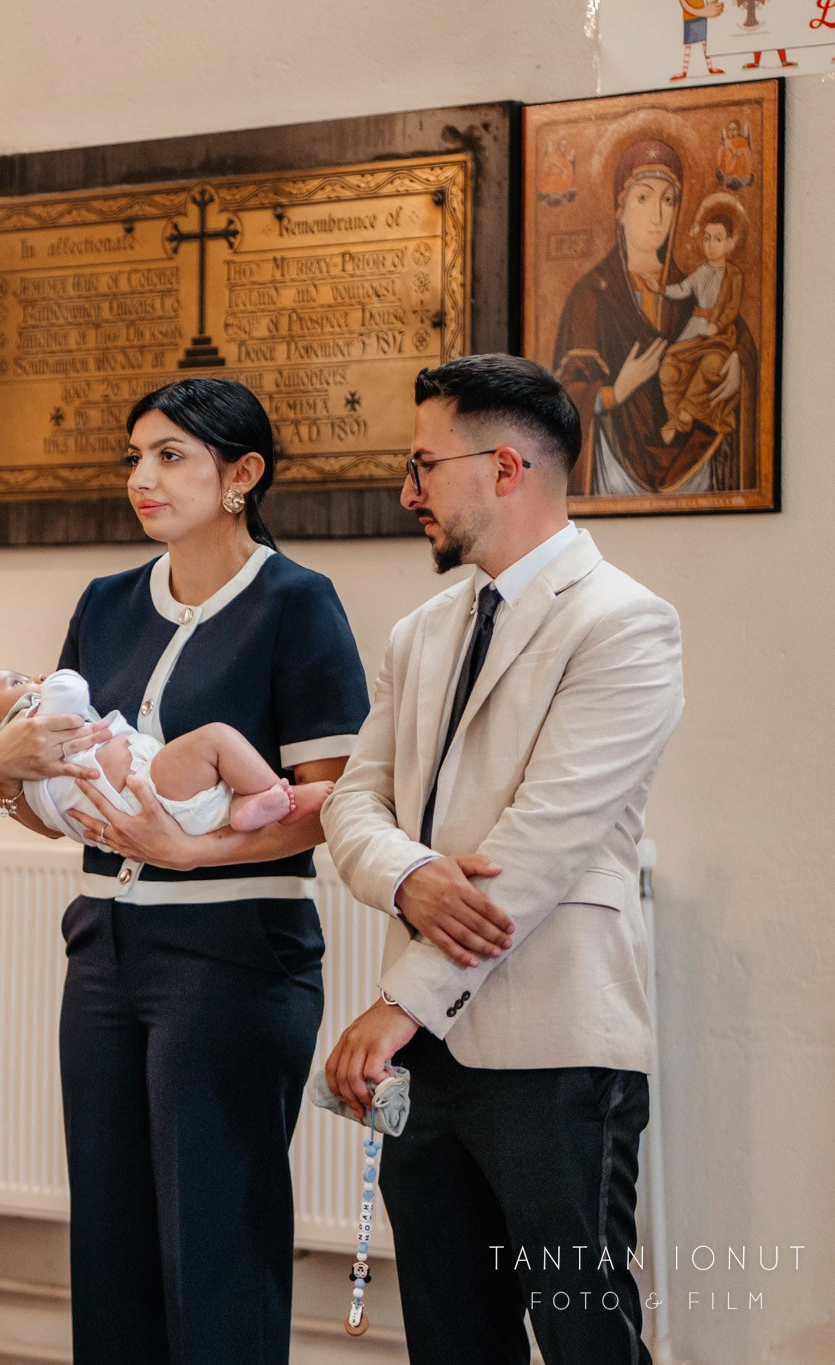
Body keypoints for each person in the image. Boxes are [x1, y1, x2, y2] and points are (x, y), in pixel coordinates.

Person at [0, 377, 368, 1363]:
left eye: (170, 456)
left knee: (214, 1242)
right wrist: (1, 771)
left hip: (232, 954)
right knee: (109, 1244)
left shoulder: (295, 603)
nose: (141, 478)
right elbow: (72, 802)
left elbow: (332, 799)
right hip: (103, 950)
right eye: (133, 457)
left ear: (241, 475)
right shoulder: (103, 606)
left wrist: (193, 849)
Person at [321, 354, 684, 1365]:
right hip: (427, 1065)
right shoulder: (418, 630)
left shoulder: (622, 623)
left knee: (583, 1339)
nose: (407, 492)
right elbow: (354, 799)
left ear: (506, 467)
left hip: (555, 1044)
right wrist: (404, 873)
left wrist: (398, 1003)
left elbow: (540, 846)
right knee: (448, 1337)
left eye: (423, 465)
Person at [550, 136, 752, 496]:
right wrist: (615, 393)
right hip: (612, 467)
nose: (657, 216)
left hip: (695, 465)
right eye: (643, 197)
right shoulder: (590, 296)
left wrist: (738, 365)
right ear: (619, 207)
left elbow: (742, 345)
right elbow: (559, 399)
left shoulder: (692, 289)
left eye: (668, 200)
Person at [0, 666, 333, 841]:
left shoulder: (32, 778)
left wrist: (0, 774)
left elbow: (51, 829)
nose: (33, 678)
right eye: (16, 681)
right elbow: (72, 688)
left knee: (211, 773)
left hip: (141, 812)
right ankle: (280, 796)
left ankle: (237, 810)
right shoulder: (33, 723)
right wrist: (56, 679)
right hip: (146, 786)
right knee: (216, 740)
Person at [659, 193, 750, 444]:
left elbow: (731, 307)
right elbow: (683, 289)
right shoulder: (701, 271)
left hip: (718, 337)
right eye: (707, 238)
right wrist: (659, 288)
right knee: (669, 366)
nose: (711, 245)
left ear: (730, 242)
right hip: (695, 330)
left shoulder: (734, 275)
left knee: (711, 365)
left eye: (718, 239)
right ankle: (676, 415)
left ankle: (684, 416)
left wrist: (717, 325)